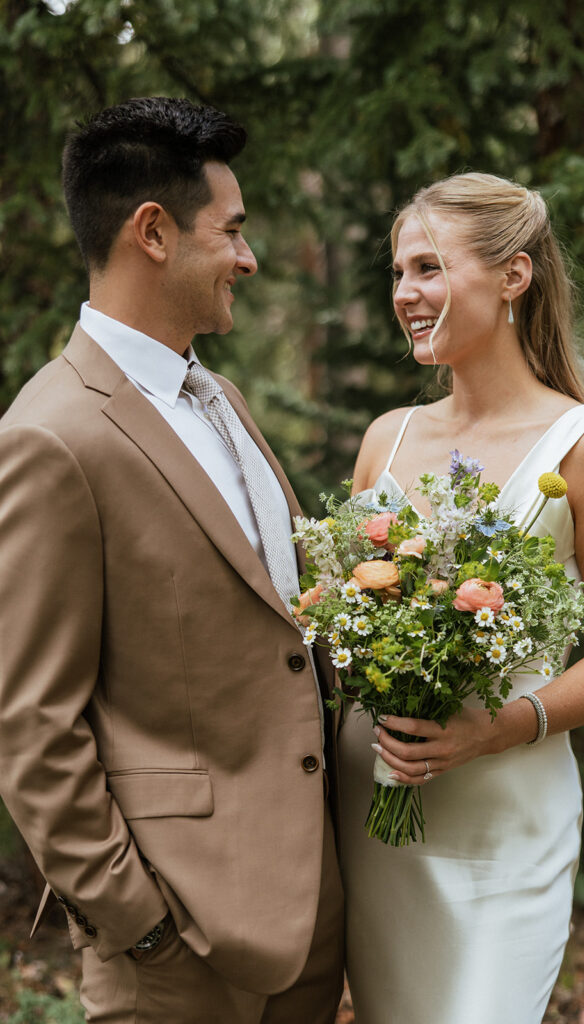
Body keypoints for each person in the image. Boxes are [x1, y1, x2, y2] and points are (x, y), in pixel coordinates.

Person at [0, 97, 343, 1023]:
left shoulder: (217, 394)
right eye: (230, 231)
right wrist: (137, 922)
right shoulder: (50, 436)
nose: (249, 257)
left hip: (307, 918)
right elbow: (33, 723)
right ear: (153, 232)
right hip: (177, 948)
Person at [339, 172, 584, 1024]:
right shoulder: (386, 439)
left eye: (429, 269)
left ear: (513, 276)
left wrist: (500, 727)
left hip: (506, 818)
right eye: (400, 273)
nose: (407, 294)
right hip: (377, 806)